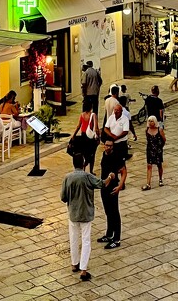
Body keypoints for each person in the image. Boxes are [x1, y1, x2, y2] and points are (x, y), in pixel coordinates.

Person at [60, 152, 108, 282]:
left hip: (73, 213)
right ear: (83, 163)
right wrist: (110, 177)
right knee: (86, 241)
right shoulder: (88, 176)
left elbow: (63, 197)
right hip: (86, 213)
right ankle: (83, 269)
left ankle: (74, 263)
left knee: (73, 239)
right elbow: (101, 184)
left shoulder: (67, 178)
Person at [97, 138, 127, 250]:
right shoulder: (104, 155)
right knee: (107, 211)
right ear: (104, 145)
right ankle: (109, 234)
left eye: (110, 146)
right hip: (104, 186)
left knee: (114, 212)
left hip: (113, 188)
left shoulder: (117, 156)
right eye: (107, 145)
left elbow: (124, 172)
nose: (108, 147)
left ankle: (117, 238)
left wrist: (120, 186)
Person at [70, 96, 99, 173]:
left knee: (84, 153)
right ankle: (91, 171)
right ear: (91, 106)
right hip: (90, 136)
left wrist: (73, 135)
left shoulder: (82, 115)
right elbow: (96, 128)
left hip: (83, 135)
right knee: (92, 154)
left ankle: (83, 168)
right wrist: (98, 137)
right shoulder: (93, 115)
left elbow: (78, 126)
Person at [142, 116, 166, 190]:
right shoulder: (147, 130)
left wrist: (160, 147)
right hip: (150, 150)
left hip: (158, 150)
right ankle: (148, 183)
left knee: (159, 165)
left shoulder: (160, 130)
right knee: (149, 165)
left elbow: (164, 139)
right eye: (149, 121)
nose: (150, 122)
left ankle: (160, 179)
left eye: (152, 121)